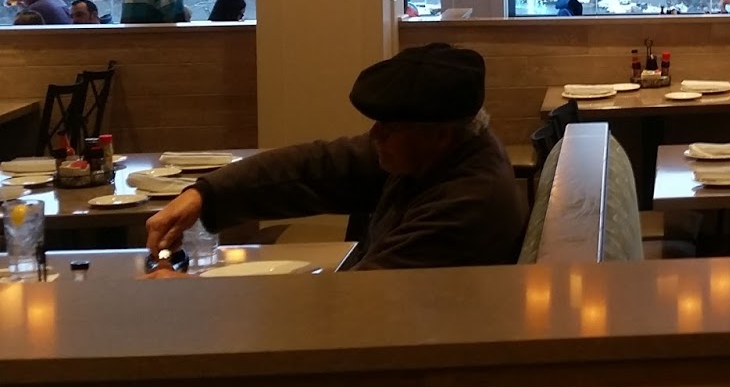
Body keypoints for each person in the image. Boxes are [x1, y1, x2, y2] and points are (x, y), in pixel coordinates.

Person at [144, 43, 527, 271]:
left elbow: (364, 306)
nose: (375, 135)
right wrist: (204, 195)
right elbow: (316, 167)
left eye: (389, 126)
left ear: (440, 134)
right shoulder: (437, 155)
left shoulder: (465, 203)